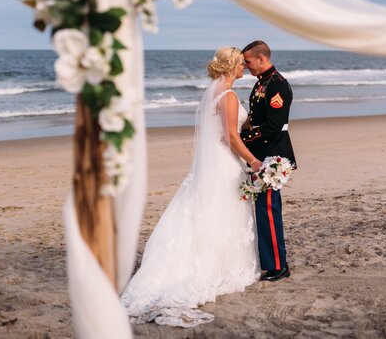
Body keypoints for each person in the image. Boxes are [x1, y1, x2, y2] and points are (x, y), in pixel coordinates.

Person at [121, 47, 261, 327]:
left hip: (212, 165)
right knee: (223, 212)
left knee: (206, 211)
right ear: (232, 67)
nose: (244, 68)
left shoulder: (213, 94)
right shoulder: (229, 96)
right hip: (224, 164)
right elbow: (231, 138)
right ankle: (218, 267)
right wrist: (254, 161)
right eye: (240, 65)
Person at [242, 40, 296, 282]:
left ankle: (278, 267)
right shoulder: (262, 83)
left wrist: (243, 139)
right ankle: (273, 262)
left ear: (261, 58)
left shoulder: (277, 85)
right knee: (264, 209)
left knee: (268, 210)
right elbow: (256, 117)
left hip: (272, 154)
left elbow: (274, 127)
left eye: (248, 62)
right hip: (264, 153)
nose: (245, 66)